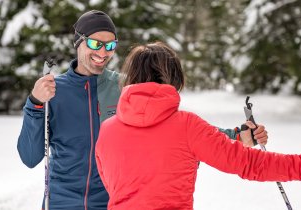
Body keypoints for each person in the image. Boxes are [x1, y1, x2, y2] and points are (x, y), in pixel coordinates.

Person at [17, 10, 267, 210]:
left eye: (111, 45)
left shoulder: (127, 87)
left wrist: (236, 135)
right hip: (63, 203)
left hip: (114, 203)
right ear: (78, 42)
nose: (103, 52)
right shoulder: (53, 92)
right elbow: (30, 157)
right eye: (95, 43)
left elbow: (177, 129)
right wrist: (35, 105)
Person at [95, 41, 301, 210]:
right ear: (173, 78)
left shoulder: (106, 130)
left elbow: (114, 184)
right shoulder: (186, 126)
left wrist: (237, 137)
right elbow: (249, 163)